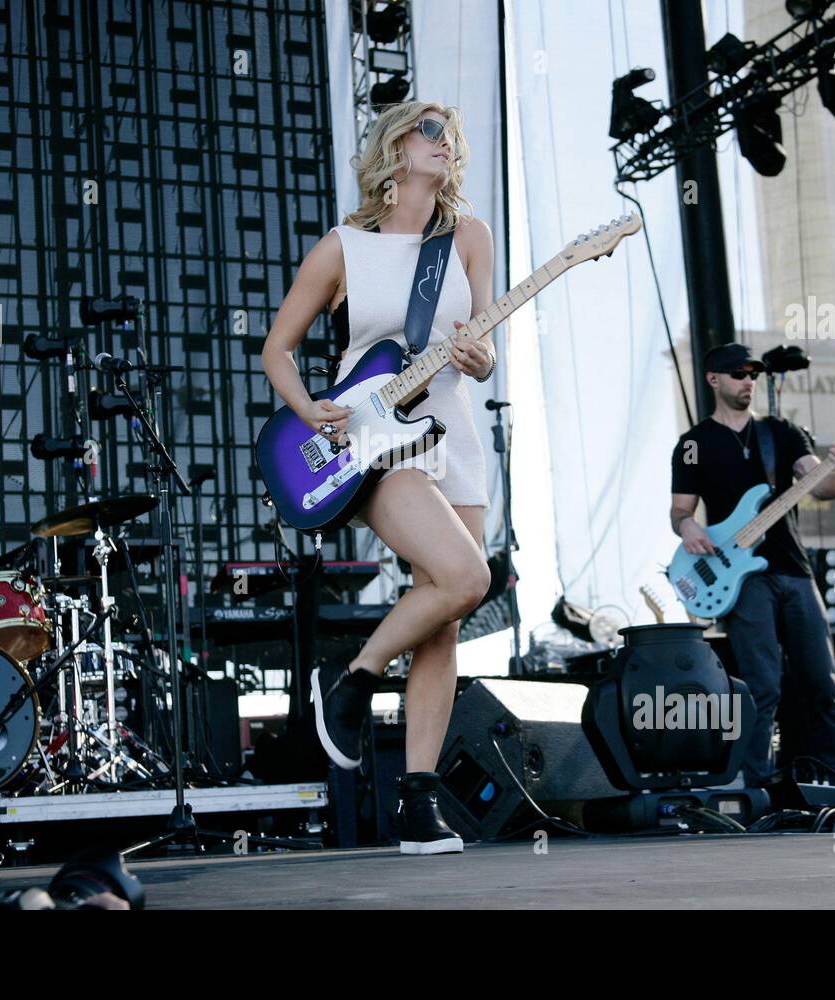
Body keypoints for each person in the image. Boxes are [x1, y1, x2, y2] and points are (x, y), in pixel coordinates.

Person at [261, 102, 496, 854]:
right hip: (374, 437)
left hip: (454, 433)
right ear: (395, 148)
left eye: (453, 137)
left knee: (447, 613)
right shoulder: (344, 247)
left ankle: (418, 799)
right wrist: (308, 406)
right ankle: (354, 677)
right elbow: (277, 349)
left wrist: (480, 359)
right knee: (466, 577)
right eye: (432, 131)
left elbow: (484, 345)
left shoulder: (469, 237)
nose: (446, 145)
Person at [669, 343, 835, 788]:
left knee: (822, 682)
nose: (748, 381)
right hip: (741, 579)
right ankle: (756, 791)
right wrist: (688, 529)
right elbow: (680, 511)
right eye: (738, 373)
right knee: (762, 687)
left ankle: (831, 785)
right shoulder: (693, 445)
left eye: (753, 374)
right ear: (713, 380)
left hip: (794, 571)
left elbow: (819, 486)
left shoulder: (783, 433)